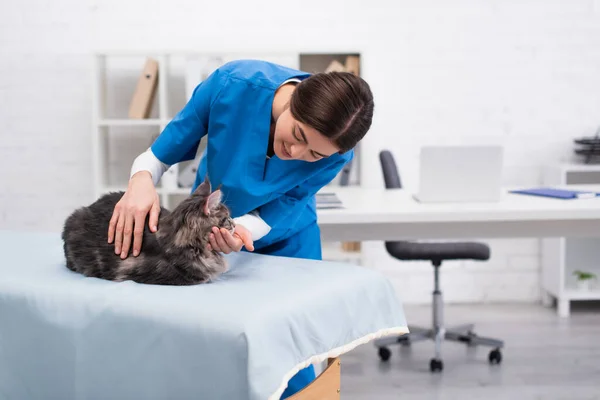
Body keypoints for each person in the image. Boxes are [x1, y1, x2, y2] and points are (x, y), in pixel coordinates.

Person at [107, 59, 374, 398]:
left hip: (287, 238)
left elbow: (289, 201)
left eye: (315, 154)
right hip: (206, 224)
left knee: (291, 349)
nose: (296, 153)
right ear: (295, 100)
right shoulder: (231, 85)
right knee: (210, 334)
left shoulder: (337, 155)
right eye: (298, 135)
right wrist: (141, 180)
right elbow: (166, 147)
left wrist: (242, 228)